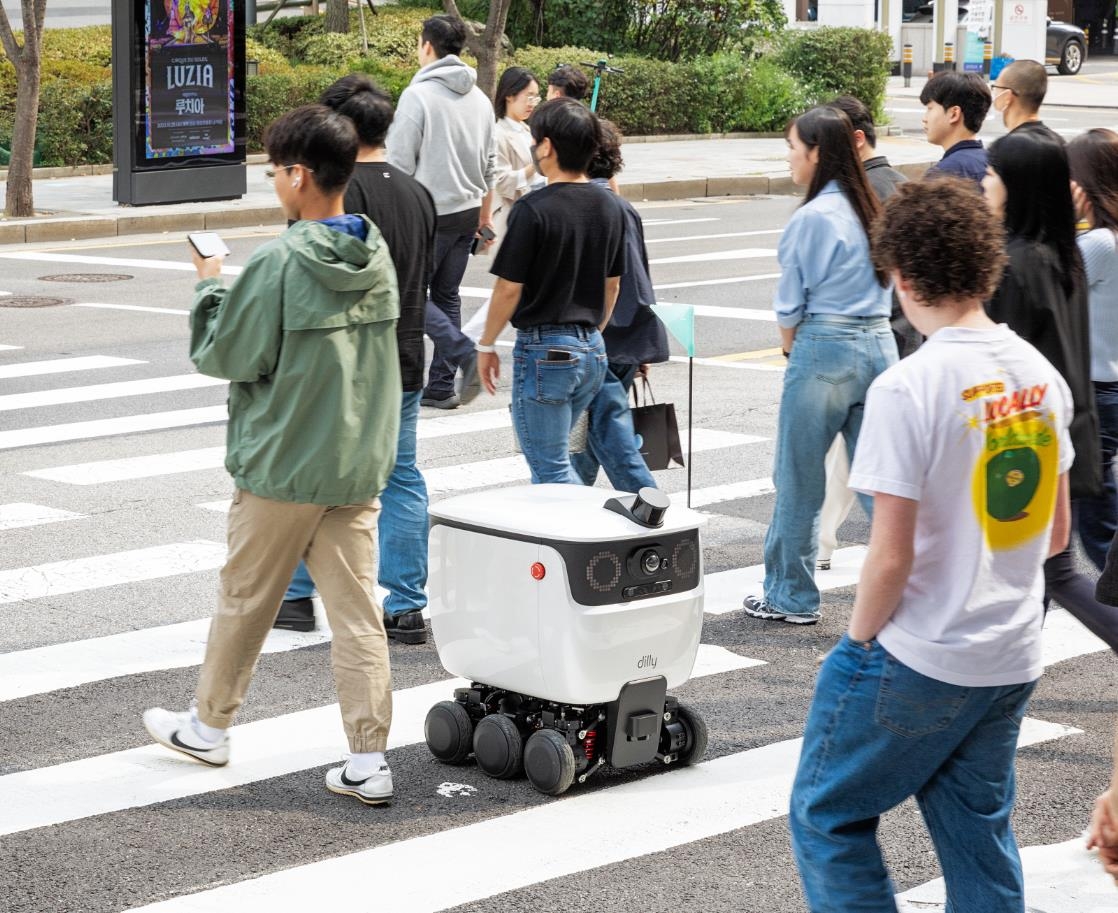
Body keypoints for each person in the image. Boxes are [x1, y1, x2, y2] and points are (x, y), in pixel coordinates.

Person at [791, 176, 1073, 913]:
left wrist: (853, 647)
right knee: (978, 836)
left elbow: (890, 556)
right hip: (1010, 649)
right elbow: (1059, 531)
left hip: (921, 651)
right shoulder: (1040, 375)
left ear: (903, 277)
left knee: (829, 814)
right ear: (986, 266)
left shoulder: (909, 387)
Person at [143, 105, 401, 805]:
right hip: (354, 462)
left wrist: (209, 281)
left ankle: (209, 725)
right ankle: (368, 757)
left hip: (285, 464)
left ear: (298, 175)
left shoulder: (282, 261)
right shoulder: (373, 252)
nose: (272, 183)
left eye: (274, 171)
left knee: (246, 596)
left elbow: (225, 352)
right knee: (356, 612)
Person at [273, 76, 438, 645]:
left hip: (345, 364)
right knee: (402, 476)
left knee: (310, 475)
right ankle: (408, 605)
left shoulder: (332, 198)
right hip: (407, 357)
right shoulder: (417, 192)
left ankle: (294, 595)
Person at [744, 105, 897, 625]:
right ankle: (912, 591)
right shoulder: (875, 206)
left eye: (792, 147)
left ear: (815, 153)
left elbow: (789, 306)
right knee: (880, 479)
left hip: (824, 344)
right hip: (880, 343)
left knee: (799, 476)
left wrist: (792, 351)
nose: (788, 157)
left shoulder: (812, 218)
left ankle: (792, 596)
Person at [983, 128, 1118, 652]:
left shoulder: (1019, 265)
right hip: (1059, 428)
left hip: (1025, 436)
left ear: (1015, 183)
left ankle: (1005, 669)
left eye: (993, 174)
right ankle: (1010, 665)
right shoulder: (1059, 255)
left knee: (1051, 568)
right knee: (1042, 567)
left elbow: (1001, 368)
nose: (985, 183)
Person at [476, 98, 624, 483]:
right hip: (593, 348)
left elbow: (508, 288)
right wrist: (591, 335)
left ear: (546, 147)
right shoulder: (610, 205)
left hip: (546, 351)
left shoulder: (534, 209)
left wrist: (486, 344)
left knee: (551, 469)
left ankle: (585, 538)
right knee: (558, 459)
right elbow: (613, 285)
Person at [815, 95, 913, 573]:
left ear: (855, 139)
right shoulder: (904, 187)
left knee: (843, 453)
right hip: (904, 339)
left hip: (855, 339)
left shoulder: (850, 195)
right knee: (865, 452)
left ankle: (820, 544)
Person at [387, 13, 497, 410]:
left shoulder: (417, 96)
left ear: (427, 47)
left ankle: (416, 383)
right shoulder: (481, 99)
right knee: (446, 295)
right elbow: (491, 166)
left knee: (409, 295)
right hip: (467, 213)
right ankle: (440, 385)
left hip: (426, 215)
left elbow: (397, 164)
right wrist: (485, 218)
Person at [572, 118, 670, 492]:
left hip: (604, 340)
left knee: (601, 440)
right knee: (590, 441)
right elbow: (639, 276)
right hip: (622, 340)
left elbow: (620, 285)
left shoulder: (595, 206)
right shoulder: (620, 206)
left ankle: (647, 507)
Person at [460, 65, 544, 343]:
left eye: (536, 97)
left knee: (516, 289)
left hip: (529, 217)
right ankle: (470, 343)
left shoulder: (525, 129)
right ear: (509, 96)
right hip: (509, 219)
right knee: (512, 290)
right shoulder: (498, 133)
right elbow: (503, 182)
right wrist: (536, 164)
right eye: (528, 96)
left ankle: (472, 343)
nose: (532, 102)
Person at [1068, 128, 1118, 572]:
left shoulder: (1098, 245)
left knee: (1096, 526)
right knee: (1100, 510)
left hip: (1097, 394)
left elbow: (1053, 284)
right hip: (1108, 390)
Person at [919, 70, 991, 186]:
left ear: (954, 114)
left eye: (930, 108)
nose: (925, 118)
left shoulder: (942, 175)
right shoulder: (993, 164)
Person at [991, 59, 1061, 141]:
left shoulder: (1007, 146)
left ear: (1007, 96)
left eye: (996, 87)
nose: (994, 93)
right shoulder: (1058, 141)